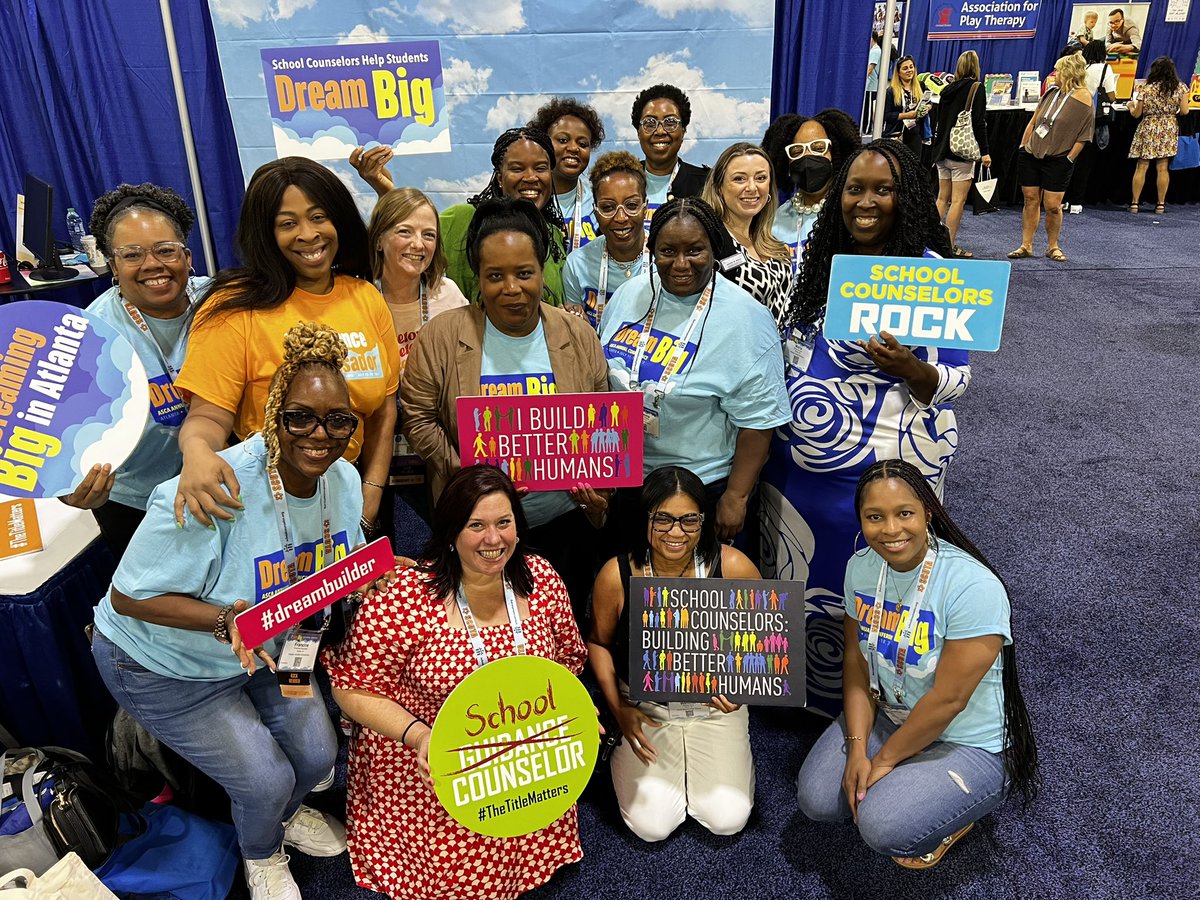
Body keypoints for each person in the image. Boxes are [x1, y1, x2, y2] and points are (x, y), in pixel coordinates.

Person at [91, 322, 361, 900]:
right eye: (300, 417)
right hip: (164, 664)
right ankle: (260, 850)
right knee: (266, 779)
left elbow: (341, 559)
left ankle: (279, 821)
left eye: (338, 419)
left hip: (273, 647)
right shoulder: (215, 485)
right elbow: (127, 597)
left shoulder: (344, 480)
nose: (321, 433)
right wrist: (224, 622)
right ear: (272, 415)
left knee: (317, 754)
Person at [758, 140, 968, 719]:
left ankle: (873, 710)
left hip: (885, 479)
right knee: (799, 583)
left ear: (909, 198)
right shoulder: (810, 259)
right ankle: (798, 698)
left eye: (883, 189)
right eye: (856, 188)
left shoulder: (934, 274)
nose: (866, 202)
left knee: (876, 593)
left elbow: (954, 383)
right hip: (798, 478)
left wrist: (909, 367)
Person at [324, 464, 587, 899]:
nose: (493, 539)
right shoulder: (404, 595)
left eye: (504, 523)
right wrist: (418, 735)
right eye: (476, 525)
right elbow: (351, 686)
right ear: (450, 531)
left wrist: (574, 711)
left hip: (523, 752)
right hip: (429, 755)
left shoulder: (541, 579)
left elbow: (566, 664)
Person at [796, 459, 1039, 869]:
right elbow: (855, 661)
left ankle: (957, 814)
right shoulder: (861, 569)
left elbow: (948, 701)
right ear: (860, 519)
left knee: (883, 826)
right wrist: (857, 749)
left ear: (929, 510)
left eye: (904, 513)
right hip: (893, 712)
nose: (891, 530)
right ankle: (911, 785)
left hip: (967, 739)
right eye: (875, 517)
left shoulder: (972, 586)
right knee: (816, 799)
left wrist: (885, 759)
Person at [399, 198, 609, 625]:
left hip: (561, 522)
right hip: (477, 532)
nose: (511, 288)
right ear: (478, 277)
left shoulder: (578, 335)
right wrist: (468, 481)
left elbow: (602, 423)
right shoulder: (443, 336)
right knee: (480, 631)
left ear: (541, 270)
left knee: (557, 631)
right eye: (495, 276)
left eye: (524, 273)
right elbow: (417, 415)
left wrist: (598, 492)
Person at [174, 157, 400, 539]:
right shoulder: (233, 306)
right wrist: (197, 453)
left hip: (354, 492)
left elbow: (383, 410)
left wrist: (371, 493)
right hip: (269, 499)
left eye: (318, 217)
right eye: (287, 223)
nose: (308, 234)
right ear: (265, 233)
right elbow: (208, 419)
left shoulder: (366, 297)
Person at [598, 197, 790, 542]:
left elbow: (759, 423)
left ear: (713, 250)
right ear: (652, 250)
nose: (681, 264)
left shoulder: (746, 318)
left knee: (699, 591)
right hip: (629, 485)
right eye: (668, 251)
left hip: (704, 489)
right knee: (634, 591)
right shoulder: (628, 296)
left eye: (695, 250)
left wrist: (736, 496)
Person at [589, 465, 760, 841]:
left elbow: (765, 642)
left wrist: (741, 687)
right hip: (645, 707)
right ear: (644, 518)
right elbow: (598, 644)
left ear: (704, 520)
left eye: (689, 520)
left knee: (727, 819)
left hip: (714, 707)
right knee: (652, 827)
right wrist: (619, 709)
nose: (676, 533)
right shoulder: (616, 575)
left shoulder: (733, 566)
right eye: (663, 519)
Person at [59, 184, 208, 556]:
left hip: (219, 485)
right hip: (135, 503)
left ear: (188, 258)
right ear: (113, 266)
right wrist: (69, 488)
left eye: (165, 250)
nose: (153, 264)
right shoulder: (88, 336)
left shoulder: (221, 303)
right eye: (132, 254)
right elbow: (57, 441)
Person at [352, 128, 568, 306]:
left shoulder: (554, 236)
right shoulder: (463, 219)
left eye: (540, 168)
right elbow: (410, 241)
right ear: (500, 178)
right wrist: (384, 190)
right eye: (517, 168)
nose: (530, 177)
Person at [365, 187, 468, 527]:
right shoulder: (358, 296)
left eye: (428, 235)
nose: (418, 244)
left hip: (435, 454)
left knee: (426, 552)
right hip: (372, 453)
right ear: (379, 239)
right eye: (404, 231)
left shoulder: (447, 294)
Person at [1009, 53, 1093, 262]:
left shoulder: (1083, 97)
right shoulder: (1051, 93)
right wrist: (1023, 145)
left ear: (1069, 72)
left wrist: (1069, 159)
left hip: (1059, 159)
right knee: (1030, 200)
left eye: (1058, 71)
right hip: (1031, 154)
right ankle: (1026, 245)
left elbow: (1084, 136)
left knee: (1053, 206)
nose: (1054, 74)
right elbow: (1034, 121)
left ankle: (1053, 246)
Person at [699, 142, 794, 325]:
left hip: (778, 351)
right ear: (719, 187)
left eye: (760, 178)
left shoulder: (775, 246)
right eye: (739, 179)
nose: (751, 187)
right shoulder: (708, 241)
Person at [762, 108, 862, 271]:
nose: (807, 157)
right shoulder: (775, 220)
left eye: (818, 147)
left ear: (835, 153)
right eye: (797, 151)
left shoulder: (850, 214)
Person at [562, 150, 649, 332]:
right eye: (608, 207)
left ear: (645, 207)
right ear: (595, 212)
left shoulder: (664, 260)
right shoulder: (577, 264)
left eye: (631, 206)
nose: (621, 217)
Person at [930, 50, 992, 258]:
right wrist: (985, 152)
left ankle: (933, 242)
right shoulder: (976, 88)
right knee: (957, 201)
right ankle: (949, 244)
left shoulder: (947, 89)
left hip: (942, 151)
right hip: (962, 151)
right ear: (975, 67)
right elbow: (979, 122)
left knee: (941, 199)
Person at [527, 97, 606, 251]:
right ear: (543, 143)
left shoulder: (597, 203)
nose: (573, 148)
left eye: (582, 144)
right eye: (563, 140)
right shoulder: (529, 197)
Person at [632, 84, 710, 217]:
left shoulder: (706, 184)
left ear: (683, 130)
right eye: (650, 123)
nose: (660, 131)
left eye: (670, 122)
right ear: (638, 132)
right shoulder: (621, 180)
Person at [1128, 56, 1191, 215]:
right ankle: (1160, 205)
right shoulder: (1181, 88)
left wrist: (1130, 105)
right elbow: (1184, 111)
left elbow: (1136, 114)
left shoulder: (1146, 88)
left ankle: (1135, 204)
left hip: (1149, 126)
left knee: (1142, 166)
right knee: (1163, 167)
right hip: (1168, 127)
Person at [1067, 40, 1119, 214]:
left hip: (1076, 116)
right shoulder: (1105, 69)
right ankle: (1076, 201)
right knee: (1085, 162)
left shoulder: (1083, 69)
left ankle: (1063, 199)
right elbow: (1111, 96)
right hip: (1093, 119)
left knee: (1069, 158)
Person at [883, 56, 929, 160]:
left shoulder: (921, 86)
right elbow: (886, 115)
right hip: (896, 134)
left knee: (914, 165)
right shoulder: (891, 91)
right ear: (898, 72)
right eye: (905, 68)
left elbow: (929, 102)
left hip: (915, 134)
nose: (909, 70)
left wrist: (927, 108)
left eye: (911, 67)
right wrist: (905, 115)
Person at [863, 32, 884, 132]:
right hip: (868, 85)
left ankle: (867, 129)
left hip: (871, 85)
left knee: (868, 108)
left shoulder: (876, 51)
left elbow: (870, 68)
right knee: (866, 107)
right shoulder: (873, 50)